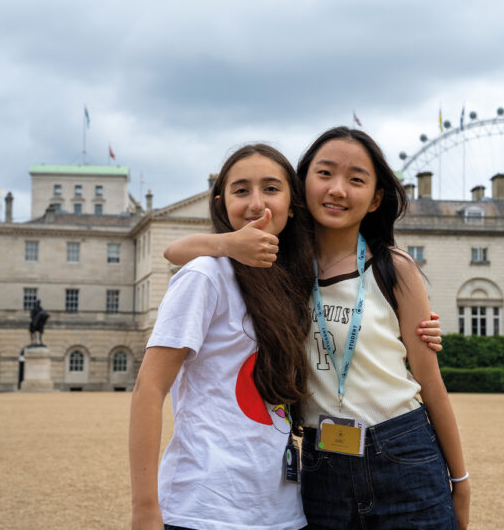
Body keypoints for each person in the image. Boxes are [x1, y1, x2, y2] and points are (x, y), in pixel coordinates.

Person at [163, 129, 464, 529]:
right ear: (302, 184)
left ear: (376, 198)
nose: (338, 189)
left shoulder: (395, 268)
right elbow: (175, 251)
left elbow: (430, 381)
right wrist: (230, 244)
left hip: (403, 450)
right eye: (324, 173)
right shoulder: (279, 266)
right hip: (322, 463)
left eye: (356, 179)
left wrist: (461, 480)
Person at [129, 144, 314, 530]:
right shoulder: (205, 275)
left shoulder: (294, 279)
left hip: (283, 511)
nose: (255, 202)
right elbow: (149, 387)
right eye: (241, 190)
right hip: (205, 508)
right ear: (222, 202)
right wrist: (145, 509)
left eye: (271, 188)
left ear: (293, 204)